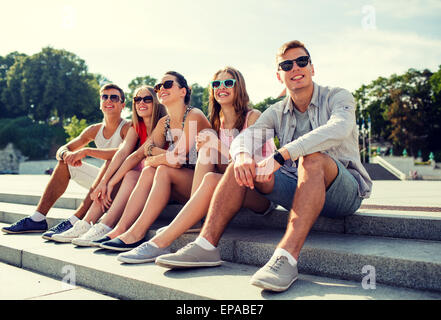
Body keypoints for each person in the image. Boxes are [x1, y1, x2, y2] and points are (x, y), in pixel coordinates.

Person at [154, 40, 373, 293]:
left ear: (312, 68)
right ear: (279, 75)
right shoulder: (277, 111)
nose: (295, 68)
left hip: (342, 191)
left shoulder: (337, 96)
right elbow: (247, 138)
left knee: (312, 158)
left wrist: (282, 154)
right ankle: (206, 245)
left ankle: (286, 258)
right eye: (286, 65)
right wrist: (244, 155)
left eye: (302, 62)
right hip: (295, 186)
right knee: (241, 162)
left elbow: (340, 128)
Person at [117, 66, 276, 263]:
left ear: (239, 88)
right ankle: (151, 228)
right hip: (229, 185)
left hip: (260, 191)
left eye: (228, 83)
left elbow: (253, 166)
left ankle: (162, 240)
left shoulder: (253, 117)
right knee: (167, 170)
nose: (221, 87)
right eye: (216, 84)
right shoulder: (216, 122)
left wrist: (215, 145)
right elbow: (150, 155)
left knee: (209, 152)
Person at [98, 71, 211, 252]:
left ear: (183, 91)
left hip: (203, 186)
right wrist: (110, 181)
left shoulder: (194, 115)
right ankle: (122, 228)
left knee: (160, 169)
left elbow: (177, 160)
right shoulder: (164, 122)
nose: (161, 89)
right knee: (149, 170)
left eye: (167, 85)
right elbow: (143, 155)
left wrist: (154, 156)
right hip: (183, 186)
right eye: (159, 87)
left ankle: (137, 233)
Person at [2, 84, 131, 237]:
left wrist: (87, 151)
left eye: (114, 97)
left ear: (122, 105)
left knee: (109, 162)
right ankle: (37, 218)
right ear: (100, 103)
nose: (109, 100)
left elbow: (123, 153)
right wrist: (66, 155)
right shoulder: (94, 130)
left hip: (122, 184)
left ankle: (76, 219)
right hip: (102, 184)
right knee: (64, 163)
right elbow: (63, 149)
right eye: (105, 97)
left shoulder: (127, 127)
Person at [49, 86, 166, 244]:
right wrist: (104, 183)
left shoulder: (162, 123)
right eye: (137, 99)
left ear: (156, 102)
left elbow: (135, 156)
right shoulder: (136, 127)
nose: (141, 103)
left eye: (147, 99)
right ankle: (85, 223)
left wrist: (108, 181)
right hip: (140, 177)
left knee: (130, 174)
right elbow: (123, 152)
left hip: (160, 179)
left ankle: (106, 225)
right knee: (120, 172)